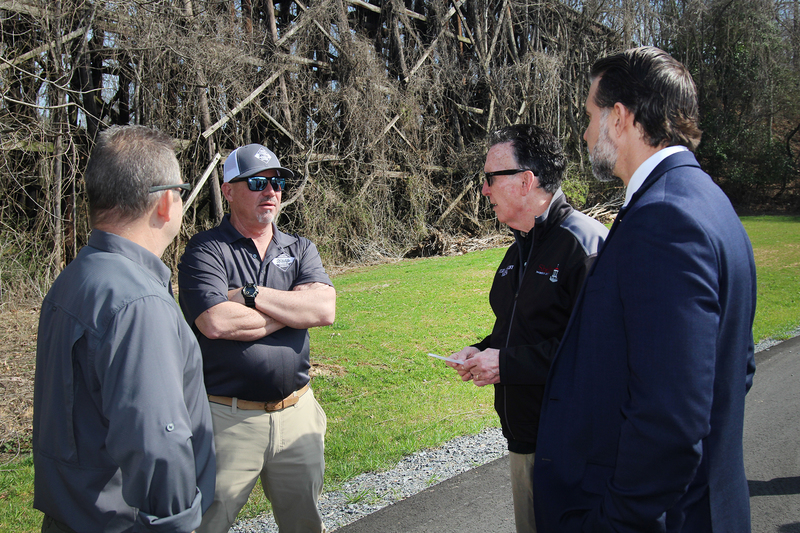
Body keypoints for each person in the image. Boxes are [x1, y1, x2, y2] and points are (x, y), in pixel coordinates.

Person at [533, 47, 757, 532]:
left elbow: (670, 420)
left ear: (619, 117)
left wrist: (614, 521)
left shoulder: (665, 219)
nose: (585, 133)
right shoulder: (707, 200)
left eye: (589, 116)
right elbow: (735, 369)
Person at [32, 125, 216, 533]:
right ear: (165, 201)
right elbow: (158, 444)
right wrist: (177, 525)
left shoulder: (74, 279)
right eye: (181, 191)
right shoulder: (139, 302)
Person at [446, 124, 608, 533]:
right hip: (525, 441)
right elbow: (518, 331)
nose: (484, 189)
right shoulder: (518, 250)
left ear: (525, 181)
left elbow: (597, 352)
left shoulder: (583, 244)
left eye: (490, 178)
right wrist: (481, 350)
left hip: (575, 448)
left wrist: (507, 365)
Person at [178, 143, 336, 533]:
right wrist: (291, 310)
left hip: (297, 413)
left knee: (304, 523)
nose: (270, 191)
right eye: (256, 183)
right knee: (207, 522)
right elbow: (215, 321)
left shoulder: (299, 248)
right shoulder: (205, 250)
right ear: (228, 191)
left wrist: (251, 294)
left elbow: (323, 310)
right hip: (228, 419)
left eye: (277, 183)